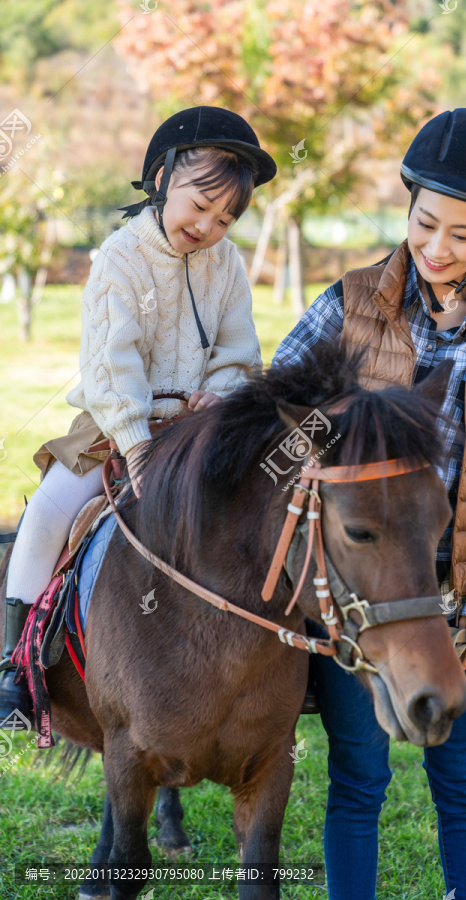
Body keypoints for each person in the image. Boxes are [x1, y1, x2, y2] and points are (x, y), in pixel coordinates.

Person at [272, 106, 466, 900]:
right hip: (361, 598)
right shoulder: (348, 304)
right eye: (425, 223)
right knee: (358, 782)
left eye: (462, 236)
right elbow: (276, 432)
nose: (437, 248)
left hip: (452, 595)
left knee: (461, 788)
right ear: (408, 205)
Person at [0, 106, 277, 723]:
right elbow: (110, 367)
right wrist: (138, 441)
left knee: (269, 504)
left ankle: (276, 655)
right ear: (159, 180)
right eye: (199, 205)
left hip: (201, 428)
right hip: (114, 424)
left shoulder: (227, 265)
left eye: (227, 217)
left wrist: (224, 393)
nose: (208, 225)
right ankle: (16, 666)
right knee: (46, 513)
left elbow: (239, 351)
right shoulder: (119, 261)